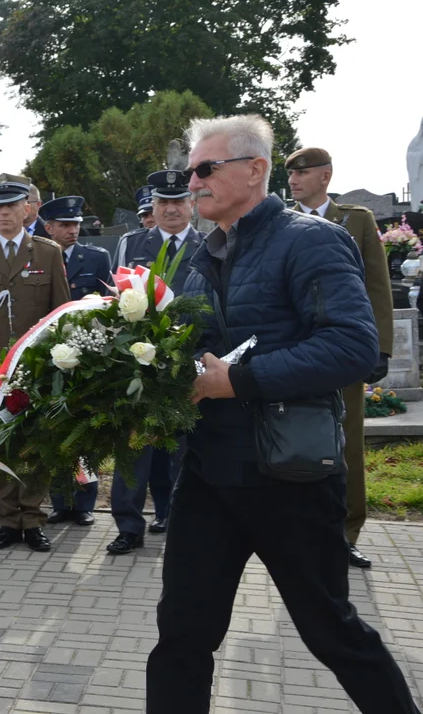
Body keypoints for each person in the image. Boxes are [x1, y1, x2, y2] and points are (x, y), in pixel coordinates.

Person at [145, 113, 422, 714]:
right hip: (209, 475)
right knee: (182, 637)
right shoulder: (199, 253)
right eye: (192, 170)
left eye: (205, 169)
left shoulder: (311, 240)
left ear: (255, 170)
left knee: (333, 632)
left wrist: (238, 380)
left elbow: (353, 345)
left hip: (287, 475)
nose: (192, 182)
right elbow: (193, 350)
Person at [287, 146, 394, 570]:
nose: (294, 180)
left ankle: (347, 532)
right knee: (294, 441)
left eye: (303, 173)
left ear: (325, 176)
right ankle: (301, 529)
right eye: (291, 174)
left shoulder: (356, 220)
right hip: (295, 353)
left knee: (347, 441)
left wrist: (380, 348)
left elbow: (378, 288)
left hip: (344, 349)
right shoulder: (282, 221)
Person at [0, 173, 69, 552]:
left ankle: (33, 519)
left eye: (11, 205)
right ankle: (8, 520)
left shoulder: (48, 252)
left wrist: (60, 366)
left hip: (35, 367)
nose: (5, 213)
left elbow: (61, 315)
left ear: (27, 208)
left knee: (35, 444)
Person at [107, 169, 204, 555]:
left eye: (179, 201)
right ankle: (129, 526)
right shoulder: (134, 244)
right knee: (134, 447)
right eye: (163, 202)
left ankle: (182, 522)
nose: (171, 209)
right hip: (140, 362)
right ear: (154, 206)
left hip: (188, 362)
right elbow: (117, 301)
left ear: (192, 205)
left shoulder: (208, 243)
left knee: (185, 450)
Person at [41, 195, 110, 526]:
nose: (72, 230)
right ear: (49, 227)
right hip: (48, 356)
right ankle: (59, 501)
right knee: (55, 430)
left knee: (84, 432)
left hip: (85, 356)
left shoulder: (96, 258)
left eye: (76, 225)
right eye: (65, 225)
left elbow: (107, 305)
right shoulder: (38, 256)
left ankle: (84, 504)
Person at [114, 186, 156, 268]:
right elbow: (117, 278)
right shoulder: (129, 242)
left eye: (153, 213)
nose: (149, 220)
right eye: (145, 216)